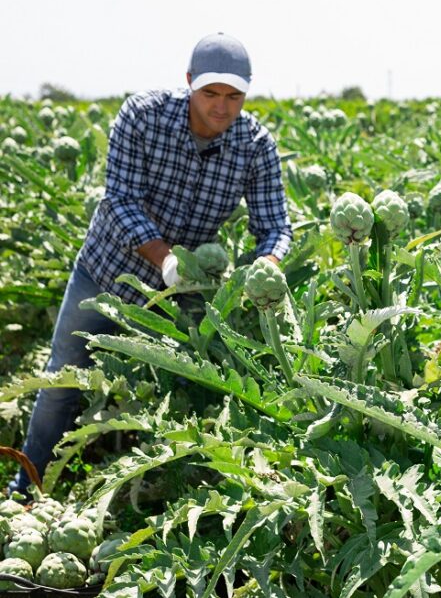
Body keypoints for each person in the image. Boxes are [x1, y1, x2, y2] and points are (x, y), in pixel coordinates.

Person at [10, 33, 292, 494]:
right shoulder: (143, 116)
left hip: (176, 303)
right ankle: (25, 488)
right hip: (102, 276)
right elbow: (120, 199)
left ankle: (130, 498)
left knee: (165, 403)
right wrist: (164, 260)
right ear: (188, 83)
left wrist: (269, 266)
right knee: (61, 387)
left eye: (234, 96)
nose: (222, 107)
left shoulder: (255, 145)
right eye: (210, 94)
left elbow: (276, 224)